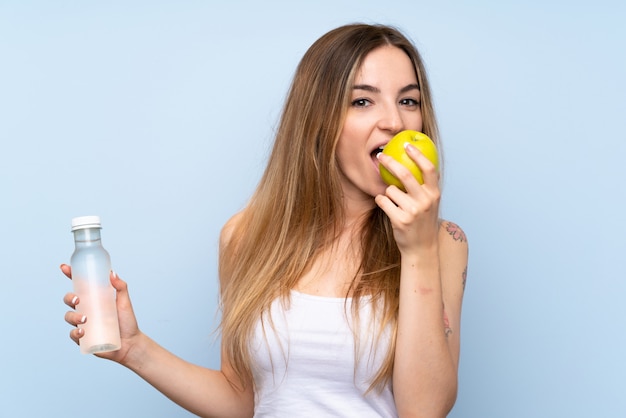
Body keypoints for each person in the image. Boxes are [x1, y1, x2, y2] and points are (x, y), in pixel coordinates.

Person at [61, 23, 469, 417]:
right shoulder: (245, 237)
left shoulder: (442, 242)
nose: (394, 122)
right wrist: (135, 349)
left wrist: (416, 251)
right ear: (318, 119)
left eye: (408, 100)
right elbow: (242, 401)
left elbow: (424, 409)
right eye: (362, 101)